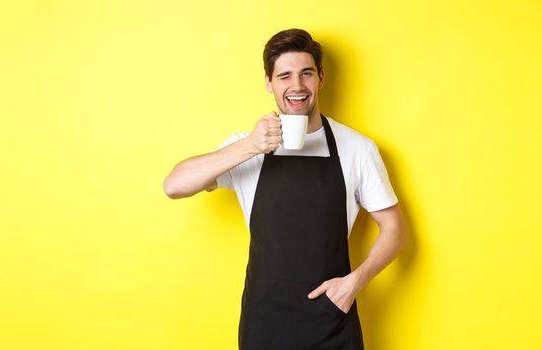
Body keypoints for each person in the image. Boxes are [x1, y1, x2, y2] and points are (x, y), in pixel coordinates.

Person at [162, 28, 407, 349]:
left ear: (320, 78)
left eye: (306, 73)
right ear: (268, 82)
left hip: (331, 319)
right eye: (284, 76)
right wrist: (250, 146)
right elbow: (174, 185)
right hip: (264, 321)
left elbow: (395, 229)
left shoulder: (357, 148)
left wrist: (354, 283)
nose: (297, 86)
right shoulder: (246, 146)